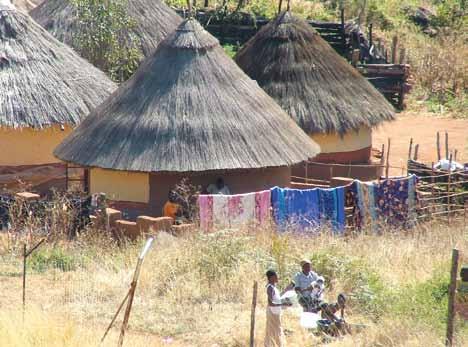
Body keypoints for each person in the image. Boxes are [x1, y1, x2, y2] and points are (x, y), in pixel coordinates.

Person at [265, 270, 291, 347]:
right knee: (274, 331)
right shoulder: (270, 288)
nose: (277, 278)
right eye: (276, 276)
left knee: (274, 331)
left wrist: (286, 290)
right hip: (273, 313)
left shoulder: (273, 287)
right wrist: (283, 304)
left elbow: (277, 298)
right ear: (272, 277)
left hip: (276, 312)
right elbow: (271, 303)